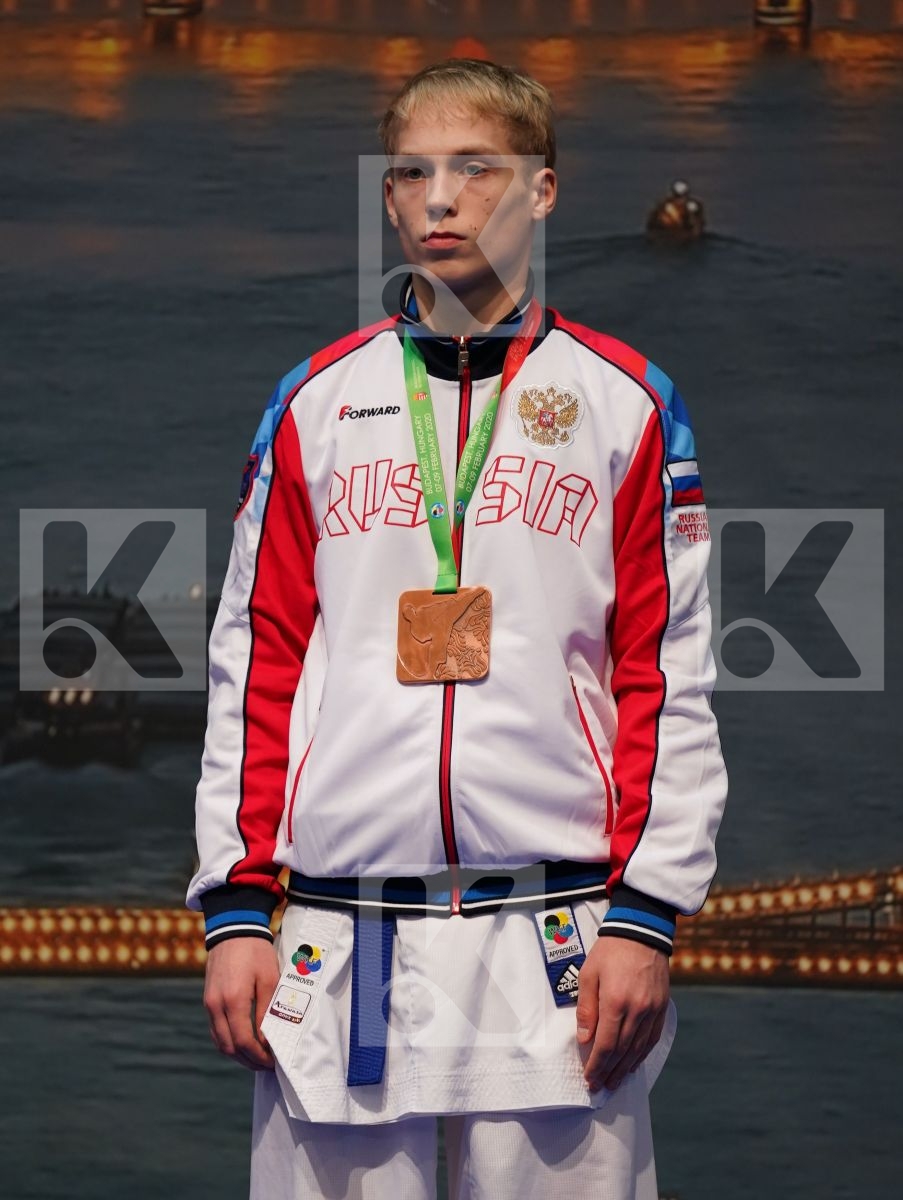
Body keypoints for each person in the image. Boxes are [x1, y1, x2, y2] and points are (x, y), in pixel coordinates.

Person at [186, 57, 728, 1200]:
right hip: (340, 936)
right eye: (412, 173)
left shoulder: (625, 404)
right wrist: (235, 905)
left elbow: (667, 675)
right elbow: (256, 663)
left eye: (476, 170)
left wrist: (649, 913)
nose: (439, 199)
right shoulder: (314, 406)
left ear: (543, 190)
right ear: (388, 198)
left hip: (561, 940)